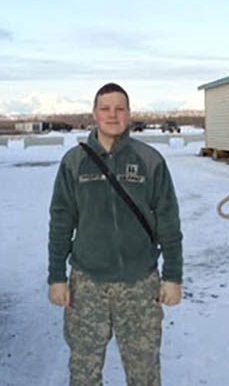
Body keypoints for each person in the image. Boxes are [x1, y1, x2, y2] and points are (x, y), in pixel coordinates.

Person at [48, 82, 183, 386]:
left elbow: (169, 222)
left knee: (144, 374)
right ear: (94, 114)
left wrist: (173, 277)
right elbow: (60, 222)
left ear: (129, 113)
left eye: (120, 108)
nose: (113, 115)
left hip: (139, 284)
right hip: (87, 285)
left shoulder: (149, 160)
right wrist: (57, 276)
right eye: (105, 108)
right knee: (83, 374)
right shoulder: (74, 162)